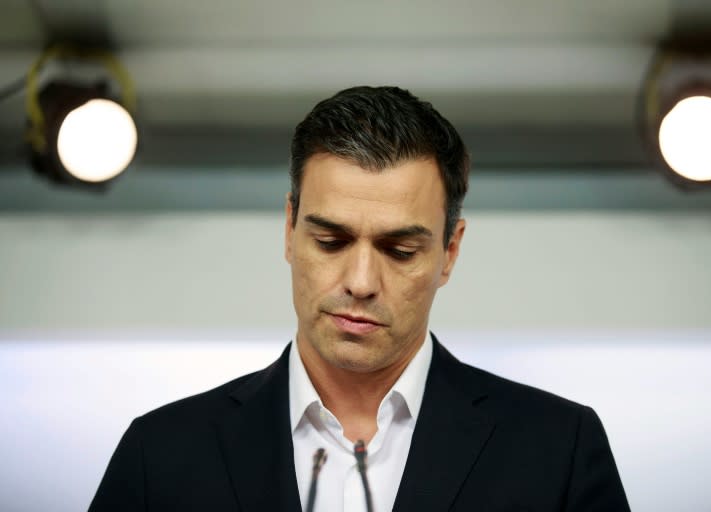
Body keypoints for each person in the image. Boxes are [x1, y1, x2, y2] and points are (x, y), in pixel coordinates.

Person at [90, 86, 630, 511]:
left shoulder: (559, 450)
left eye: (399, 250)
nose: (361, 281)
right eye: (331, 241)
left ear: (450, 251)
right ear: (288, 229)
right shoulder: (159, 454)